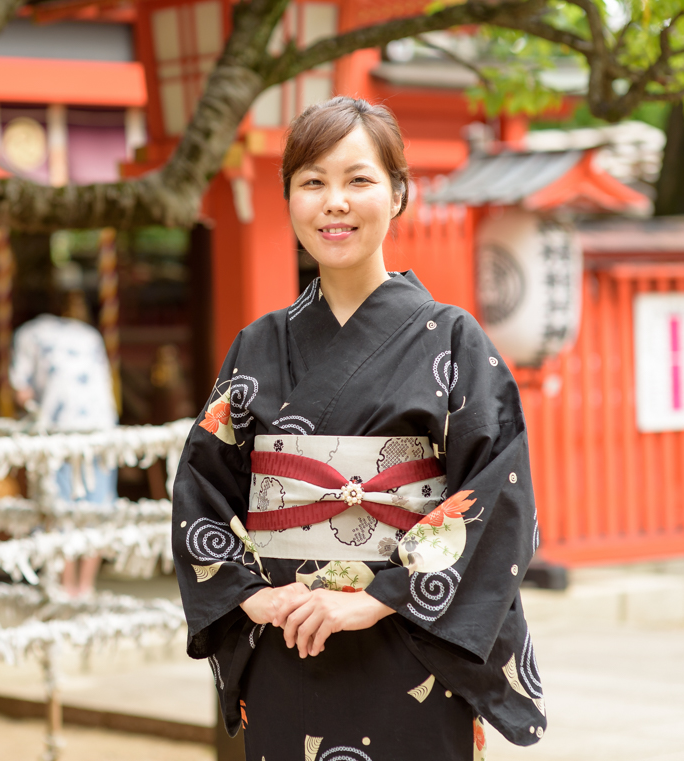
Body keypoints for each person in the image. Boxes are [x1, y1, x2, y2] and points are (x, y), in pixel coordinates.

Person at [172, 97, 545, 761]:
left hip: (410, 646)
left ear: (399, 192)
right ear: (288, 196)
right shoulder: (257, 347)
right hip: (291, 647)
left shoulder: (453, 340)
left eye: (359, 180)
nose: (334, 202)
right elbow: (200, 486)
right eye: (312, 182)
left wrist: (381, 595)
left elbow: (498, 490)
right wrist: (248, 596)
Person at [10, 289, 118, 598]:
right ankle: (86, 587)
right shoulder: (90, 335)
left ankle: (65, 587)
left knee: (60, 509)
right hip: (102, 428)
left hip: (60, 428)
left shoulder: (27, 334)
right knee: (98, 508)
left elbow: (21, 391)